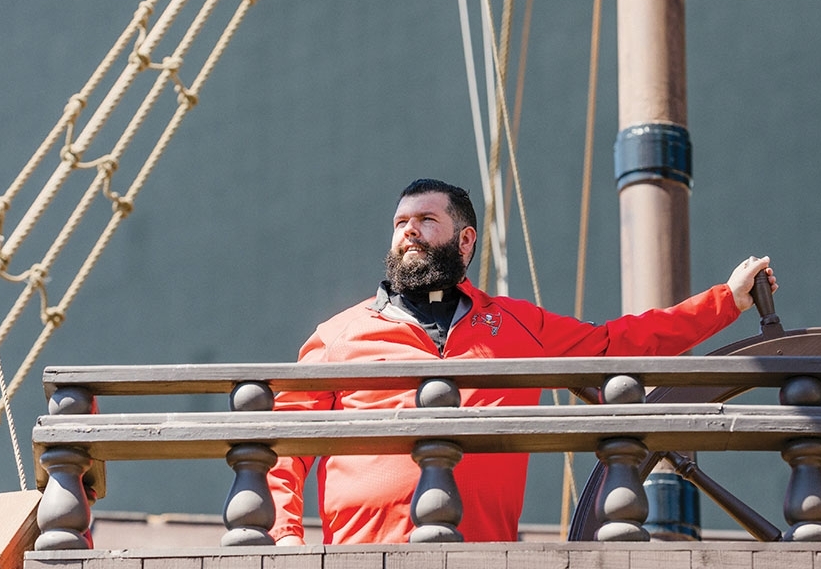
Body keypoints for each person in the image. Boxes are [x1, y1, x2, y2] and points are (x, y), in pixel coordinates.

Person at [267, 178, 777, 546]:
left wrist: (725, 301)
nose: (410, 232)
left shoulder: (516, 324)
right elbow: (282, 449)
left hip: (483, 558)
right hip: (365, 560)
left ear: (465, 241)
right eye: (401, 223)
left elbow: (615, 344)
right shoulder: (338, 336)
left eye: (426, 220)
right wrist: (283, 537)